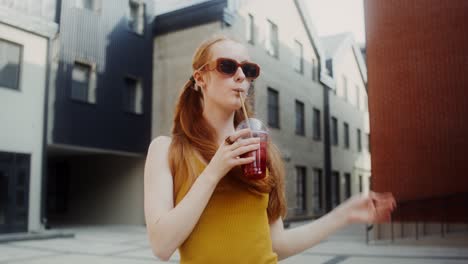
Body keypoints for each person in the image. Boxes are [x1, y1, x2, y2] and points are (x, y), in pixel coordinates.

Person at [144, 35, 396, 263]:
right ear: (200, 78)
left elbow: (278, 244)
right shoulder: (167, 150)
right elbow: (162, 246)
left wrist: (345, 214)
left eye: (248, 69)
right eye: (228, 67)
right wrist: (214, 171)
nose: (241, 76)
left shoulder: (260, 151)